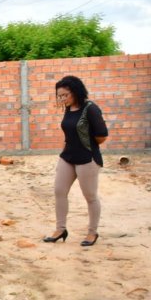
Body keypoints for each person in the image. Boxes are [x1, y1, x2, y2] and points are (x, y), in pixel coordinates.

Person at [43, 75, 108, 247]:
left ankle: (92, 233)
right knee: (59, 191)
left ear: (76, 92)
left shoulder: (91, 109)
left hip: (87, 158)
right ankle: (60, 229)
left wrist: (85, 144)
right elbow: (69, 133)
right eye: (59, 96)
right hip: (68, 157)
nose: (62, 99)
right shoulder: (68, 108)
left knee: (90, 196)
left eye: (65, 95)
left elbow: (102, 136)